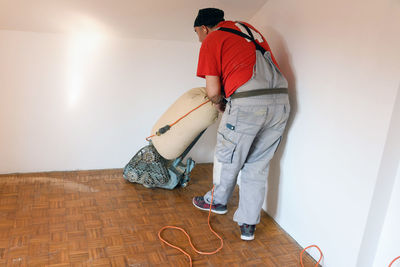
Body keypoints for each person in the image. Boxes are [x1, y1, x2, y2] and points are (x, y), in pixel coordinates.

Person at [192, 8, 291, 241]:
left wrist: (219, 106)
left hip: (248, 104)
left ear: (204, 28)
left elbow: (213, 91)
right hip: (281, 104)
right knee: (257, 164)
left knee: (227, 156)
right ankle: (248, 224)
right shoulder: (249, 30)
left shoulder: (212, 38)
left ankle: (217, 201)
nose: (197, 37)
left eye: (196, 32)